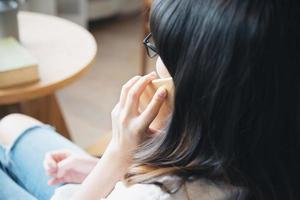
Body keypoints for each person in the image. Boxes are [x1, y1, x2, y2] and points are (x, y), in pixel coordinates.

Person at [1, 0, 300, 199]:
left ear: (197, 85)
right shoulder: (265, 153)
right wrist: (116, 165)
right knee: (12, 125)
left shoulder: (157, 194)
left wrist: (114, 158)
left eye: (158, 50)